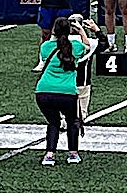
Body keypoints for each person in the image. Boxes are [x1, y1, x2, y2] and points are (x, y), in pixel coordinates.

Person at [35, 16, 90, 166]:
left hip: (43, 91)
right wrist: (81, 30)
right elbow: (88, 46)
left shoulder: (46, 47)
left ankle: (49, 154)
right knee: (72, 122)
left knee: (53, 122)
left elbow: (49, 48)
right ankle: (73, 154)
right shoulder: (75, 46)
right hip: (67, 92)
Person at [69, 14, 104, 123]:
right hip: (82, 81)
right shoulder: (90, 42)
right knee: (81, 114)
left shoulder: (60, 42)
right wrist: (96, 29)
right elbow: (105, 44)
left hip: (64, 81)